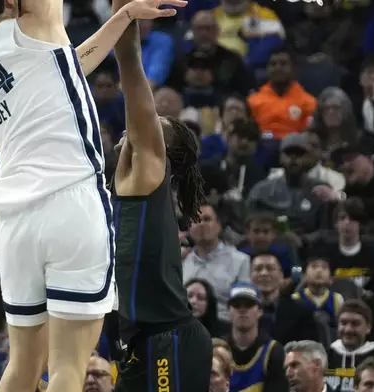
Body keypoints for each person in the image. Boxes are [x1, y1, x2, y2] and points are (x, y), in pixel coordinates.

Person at [0, 0, 187, 391]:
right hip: (70, 205)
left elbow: (65, 70)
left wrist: (123, 18)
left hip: (13, 222)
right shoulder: (35, 26)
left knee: (23, 366)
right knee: (67, 367)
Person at [109, 0, 211, 389]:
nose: (137, 126)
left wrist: (123, 10)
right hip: (138, 340)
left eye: (153, 124)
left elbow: (131, 66)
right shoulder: (117, 189)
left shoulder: (148, 174)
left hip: (167, 339)